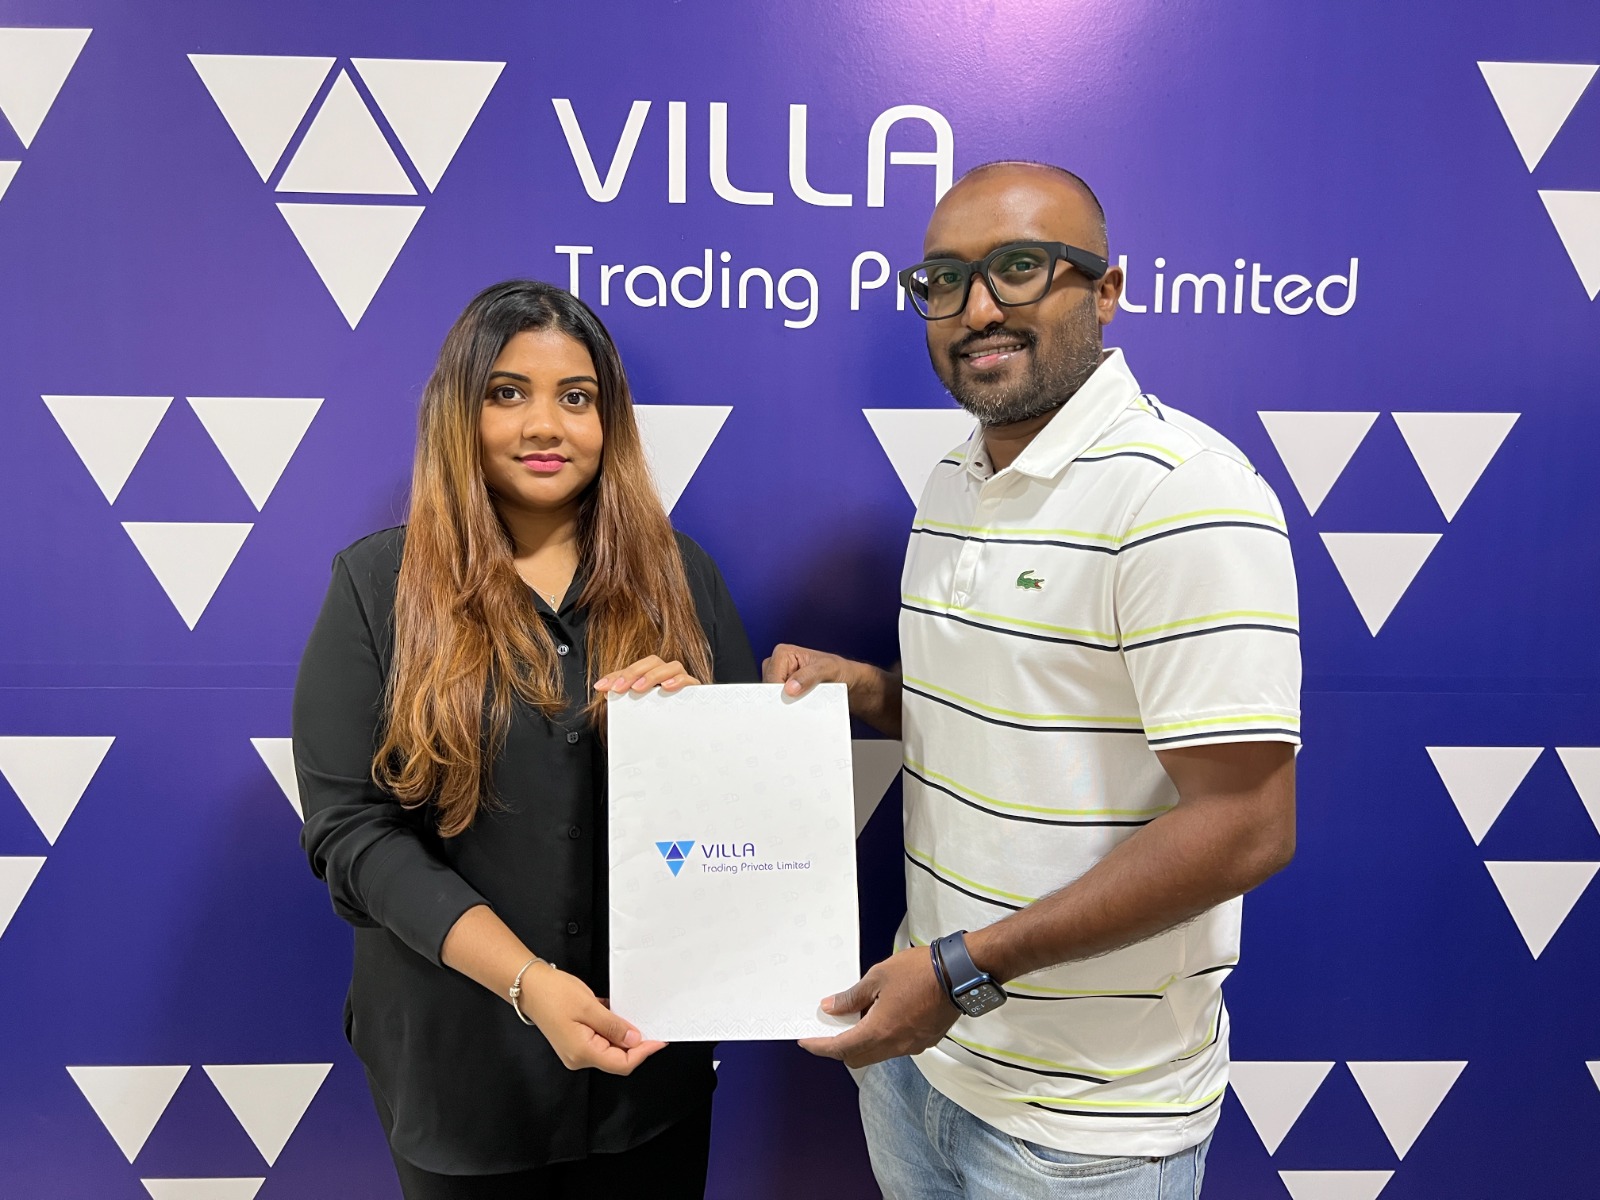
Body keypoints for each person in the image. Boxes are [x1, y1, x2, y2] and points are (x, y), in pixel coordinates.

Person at [766, 162, 1300, 1198]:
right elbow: (1015, 714)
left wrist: (962, 970)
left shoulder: (1183, 496)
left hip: (1086, 1132)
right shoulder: (953, 479)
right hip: (922, 1068)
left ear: (1106, 290)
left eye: (1018, 267)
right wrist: (867, 692)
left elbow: (1246, 826)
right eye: (943, 280)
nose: (976, 310)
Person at [293, 279, 755, 1199]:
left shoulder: (681, 576)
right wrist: (526, 982)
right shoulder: (379, 587)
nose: (545, 424)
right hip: (463, 1076)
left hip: (649, 1066)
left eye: (575, 397)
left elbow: (748, 811)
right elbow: (351, 833)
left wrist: (701, 730)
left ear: (609, 421)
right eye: (508, 393)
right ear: (460, 412)